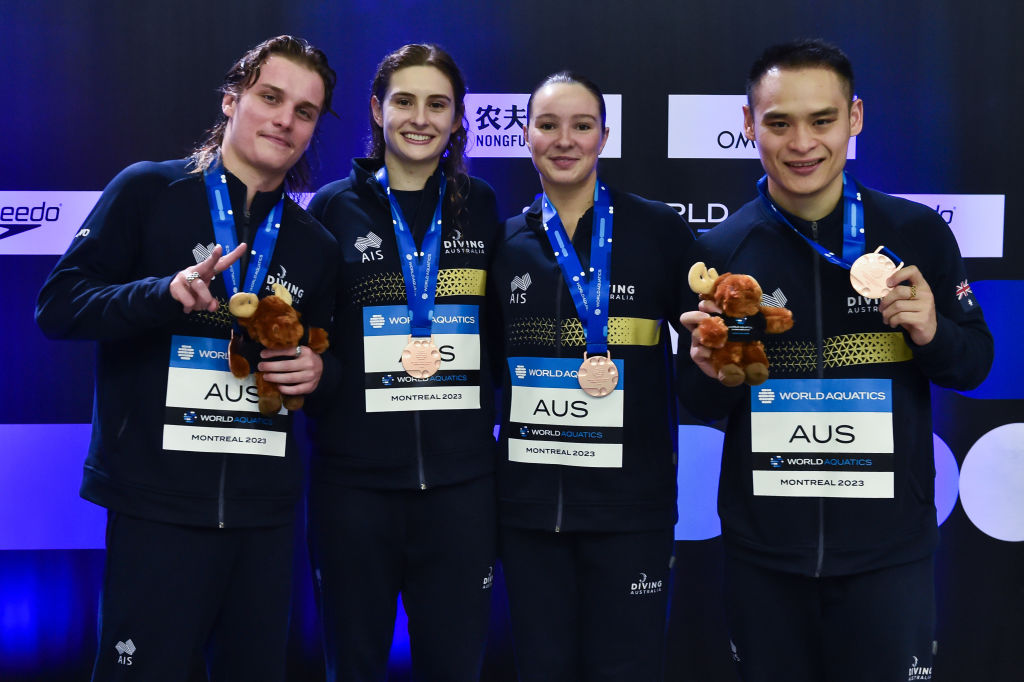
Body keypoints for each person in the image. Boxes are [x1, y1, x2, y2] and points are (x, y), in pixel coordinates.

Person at [678, 39, 993, 681]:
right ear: (747, 124)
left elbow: (975, 364)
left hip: (889, 557)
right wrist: (707, 374)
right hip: (764, 557)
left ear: (854, 117)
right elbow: (697, 403)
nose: (801, 144)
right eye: (779, 122)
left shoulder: (916, 233)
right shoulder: (722, 249)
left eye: (821, 120)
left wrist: (934, 333)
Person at [35, 35, 337, 682]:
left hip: (263, 518)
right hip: (157, 509)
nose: (285, 120)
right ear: (233, 100)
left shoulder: (314, 243)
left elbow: (326, 362)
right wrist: (161, 294)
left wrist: (317, 371)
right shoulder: (150, 191)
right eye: (270, 97)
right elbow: (58, 306)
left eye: (305, 111)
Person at [304, 43, 500, 681]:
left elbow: (500, 336)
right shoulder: (334, 207)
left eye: (437, 104)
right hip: (355, 488)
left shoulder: (484, 207)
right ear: (376, 110)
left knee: (455, 666)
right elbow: (317, 341)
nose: (420, 118)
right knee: (353, 665)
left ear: (456, 117)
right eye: (405, 101)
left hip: (460, 489)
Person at [492, 71, 693, 681]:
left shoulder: (657, 229)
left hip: (631, 512)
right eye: (548, 125)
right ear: (525, 135)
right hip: (532, 515)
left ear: (604, 135)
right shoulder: (505, 243)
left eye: (582, 126)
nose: (565, 140)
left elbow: (714, 332)